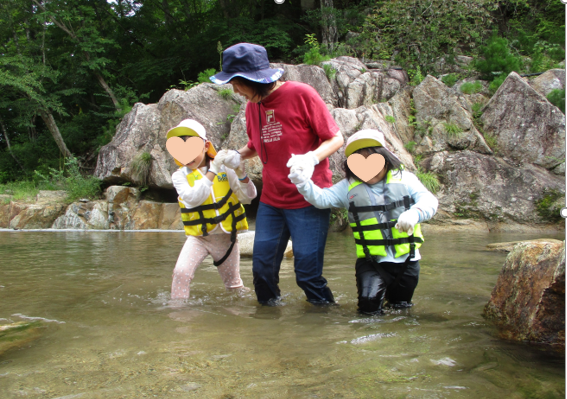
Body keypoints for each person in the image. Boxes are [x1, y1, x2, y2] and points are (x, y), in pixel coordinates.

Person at [210, 43, 344, 305]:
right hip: (272, 200)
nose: (235, 90)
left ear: (253, 79)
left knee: (307, 275)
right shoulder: (252, 107)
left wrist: (310, 158)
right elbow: (256, 145)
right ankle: (269, 333)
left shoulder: (301, 94)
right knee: (261, 273)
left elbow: (335, 137)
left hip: (309, 197)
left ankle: (326, 326)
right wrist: (237, 155)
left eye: (237, 83)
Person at [289, 129, 438, 314]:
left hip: (407, 260)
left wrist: (415, 213)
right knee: (368, 306)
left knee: (401, 308)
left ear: (385, 158)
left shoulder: (406, 179)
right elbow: (322, 199)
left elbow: (430, 201)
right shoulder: (348, 187)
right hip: (372, 262)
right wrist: (303, 183)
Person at [167, 119, 257, 300]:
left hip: (226, 238)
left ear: (205, 145)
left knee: (234, 286)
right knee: (181, 273)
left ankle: (244, 319)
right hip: (199, 238)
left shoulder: (225, 169)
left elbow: (249, 197)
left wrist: (240, 173)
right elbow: (194, 199)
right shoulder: (179, 176)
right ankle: (177, 315)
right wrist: (213, 170)